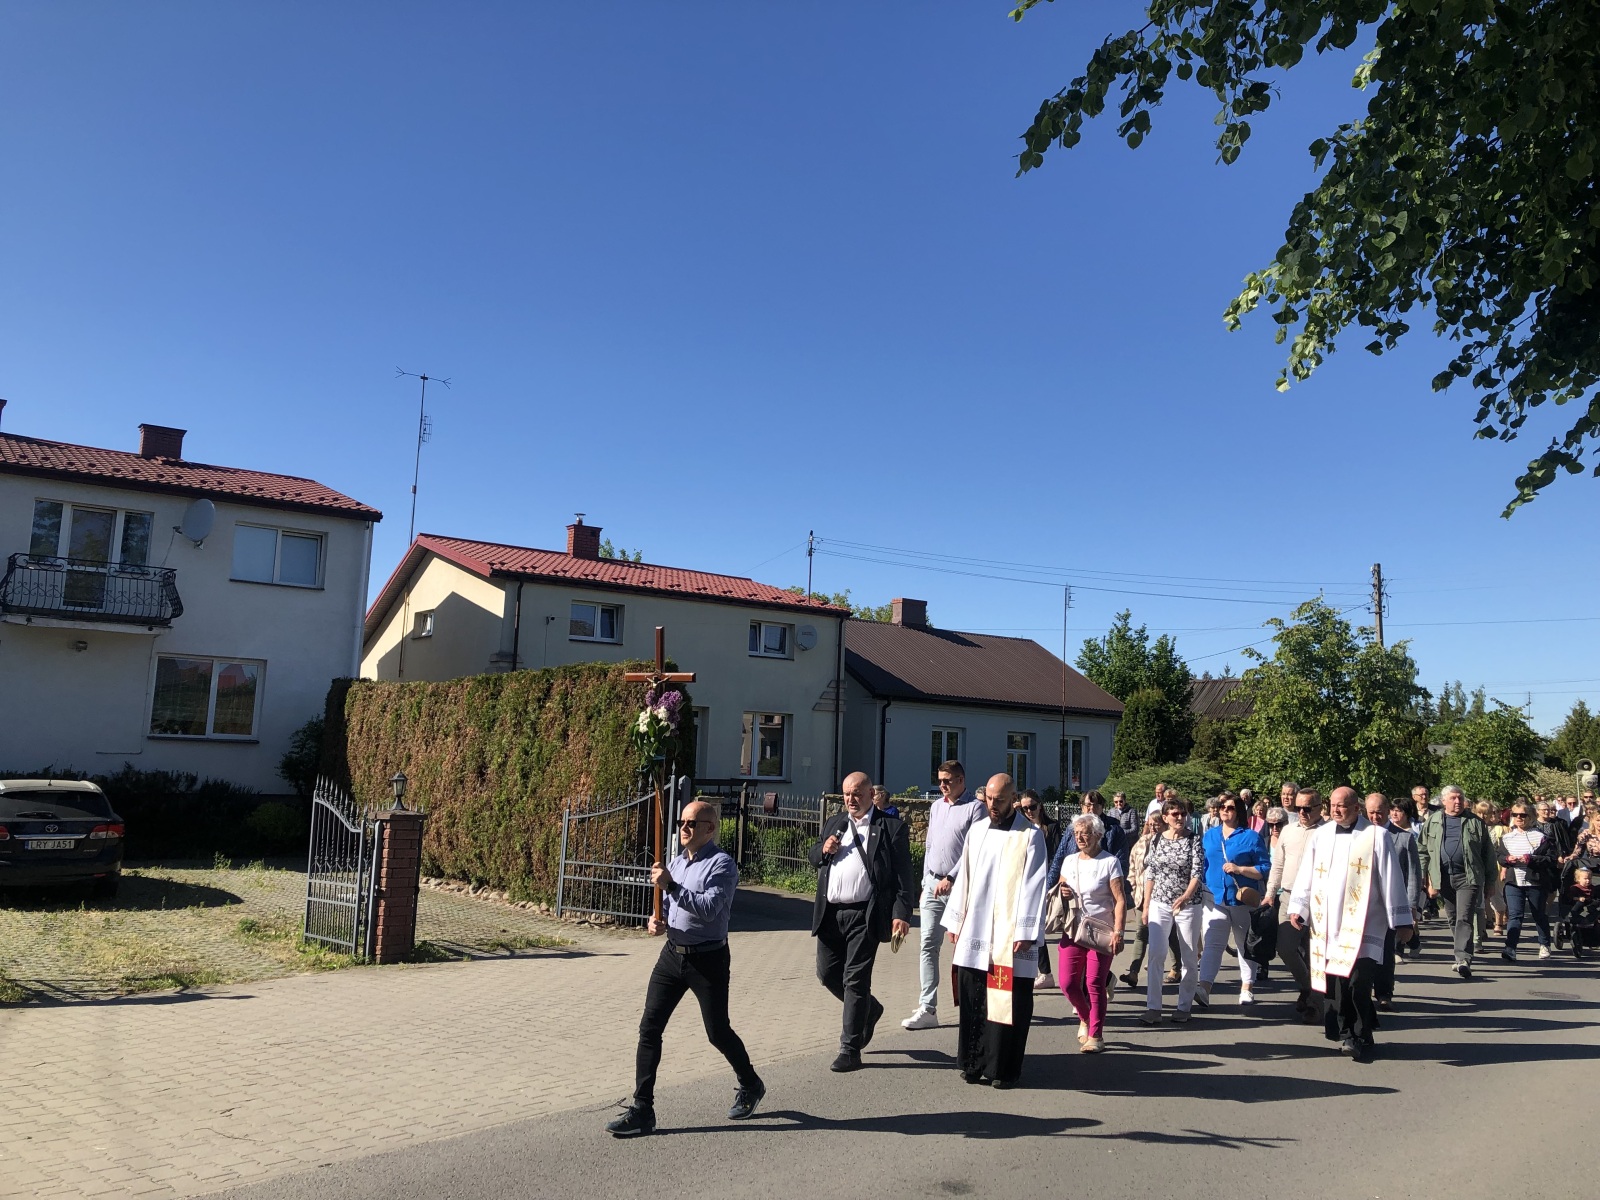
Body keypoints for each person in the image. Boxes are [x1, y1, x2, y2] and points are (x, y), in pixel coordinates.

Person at [607, 800, 764, 1137]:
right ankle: (642, 1108)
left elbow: (709, 908)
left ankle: (750, 1083)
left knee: (717, 1032)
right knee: (650, 1027)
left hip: (708, 959)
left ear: (710, 828)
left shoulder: (722, 865)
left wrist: (672, 887)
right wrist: (656, 919)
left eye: (692, 823)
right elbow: (666, 906)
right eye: (681, 822)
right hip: (672, 955)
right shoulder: (677, 863)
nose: (684, 828)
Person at [1288, 786, 1413, 1061]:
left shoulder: (1376, 836)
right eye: (1333, 805)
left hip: (1365, 923)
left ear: (1357, 808)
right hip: (1327, 924)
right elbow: (1307, 873)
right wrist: (1298, 907)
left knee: (1358, 981)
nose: (1336, 810)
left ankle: (1354, 1035)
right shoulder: (1321, 835)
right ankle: (1355, 1031)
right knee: (1336, 983)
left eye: (1342, 805)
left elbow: (1391, 878)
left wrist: (1402, 920)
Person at [941, 773, 1048, 1088]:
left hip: (1009, 937)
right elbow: (965, 877)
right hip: (976, 929)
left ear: (1013, 799)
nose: (992, 805)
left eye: (999, 800)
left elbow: (1035, 884)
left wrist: (1025, 931)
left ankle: (1003, 1068)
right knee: (974, 995)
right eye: (989, 799)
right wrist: (956, 922)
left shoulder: (1030, 836)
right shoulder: (977, 831)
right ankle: (973, 1062)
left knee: (1009, 1001)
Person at [809, 771, 914, 1072]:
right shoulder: (835, 823)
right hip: (830, 913)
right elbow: (814, 856)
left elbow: (903, 876)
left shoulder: (890, 827)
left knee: (855, 979)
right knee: (827, 974)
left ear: (871, 794)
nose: (851, 799)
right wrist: (823, 850)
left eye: (856, 793)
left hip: (865, 914)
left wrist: (901, 915)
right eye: (846, 794)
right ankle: (870, 1008)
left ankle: (850, 1049)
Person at [901, 760, 984, 1032]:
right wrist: (926, 880)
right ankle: (928, 1007)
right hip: (932, 884)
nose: (942, 786)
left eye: (947, 781)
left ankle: (974, 1005)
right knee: (928, 943)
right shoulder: (936, 806)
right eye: (939, 781)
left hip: (959, 887)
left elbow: (974, 848)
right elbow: (930, 844)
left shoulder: (975, 808)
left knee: (965, 948)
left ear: (961, 780)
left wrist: (952, 877)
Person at [1055, 812, 1128, 1053]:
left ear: (1097, 835)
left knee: (1094, 982)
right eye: (1076, 833)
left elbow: (1120, 900)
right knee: (1067, 983)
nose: (1079, 838)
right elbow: (1060, 889)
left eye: (1084, 833)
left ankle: (1096, 1035)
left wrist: (1119, 931)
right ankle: (1085, 1017)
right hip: (1073, 930)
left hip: (1101, 932)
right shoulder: (1069, 861)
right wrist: (1063, 892)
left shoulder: (1110, 862)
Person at [1197, 792, 1270, 1008]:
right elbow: (1201, 863)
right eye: (1222, 807)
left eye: (1229, 807)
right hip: (1214, 898)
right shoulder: (1210, 835)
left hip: (1242, 899)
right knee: (1212, 943)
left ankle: (1247, 987)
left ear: (1238, 811)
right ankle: (1204, 988)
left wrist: (1240, 869)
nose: (1225, 811)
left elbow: (1264, 867)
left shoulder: (1251, 837)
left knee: (1244, 944)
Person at [1418, 784, 1497, 979]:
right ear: (1443, 801)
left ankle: (1463, 958)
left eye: (1460, 798)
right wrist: (1425, 878)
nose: (1457, 801)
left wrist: (1490, 882)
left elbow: (1488, 854)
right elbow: (1423, 850)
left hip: (1468, 877)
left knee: (1464, 917)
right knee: (1453, 917)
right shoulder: (1433, 821)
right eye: (1453, 798)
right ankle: (1462, 950)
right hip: (1443, 877)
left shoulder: (1475, 822)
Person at [1140, 797, 1205, 1024]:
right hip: (1160, 902)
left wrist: (1185, 896)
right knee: (1156, 954)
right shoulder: (1157, 839)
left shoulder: (1193, 840)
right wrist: (1146, 905)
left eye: (1183, 814)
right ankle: (1153, 1008)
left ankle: (1184, 1006)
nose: (1180, 818)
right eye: (1175, 814)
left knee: (1188, 955)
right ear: (1165, 817)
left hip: (1188, 904)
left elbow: (1197, 872)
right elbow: (1151, 873)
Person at [1266, 787, 1323, 1021]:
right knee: (1285, 947)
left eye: (1307, 808)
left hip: (1318, 899)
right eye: (1298, 808)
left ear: (1320, 808)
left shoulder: (1328, 832)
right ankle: (1308, 986)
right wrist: (1270, 893)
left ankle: (1315, 1005)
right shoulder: (1288, 831)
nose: (1301, 812)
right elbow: (1278, 866)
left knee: (1314, 954)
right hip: (1288, 897)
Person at [1498, 802, 1557, 961]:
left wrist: (1531, 859)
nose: (1519, 818)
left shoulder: (1541, 837)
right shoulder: (1507, 838)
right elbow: (1500, 856)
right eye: (1515, 815)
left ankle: (1544, 944)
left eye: (1523, 815)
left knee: (1539, 914)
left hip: (1535, 882)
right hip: (1513, 882)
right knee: (1515, 915)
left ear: (1531, 817)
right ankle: (1510, 948)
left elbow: (1550, 859)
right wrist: (1507, 859)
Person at [1017, 789, 1061, 978]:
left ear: (1040, 806)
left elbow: (1057, 856)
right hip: (1026, 884)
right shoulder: (1021, 828)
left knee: (1039, 929)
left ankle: (1102, 977)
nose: (1029, 811)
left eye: (1032, 807)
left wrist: (1051, 881)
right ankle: (1044, 972)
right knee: (1032, 928)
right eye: (1024, 808)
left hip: (1047, 883)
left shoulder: (1051, 827)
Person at [1118, 811, 1165, 988]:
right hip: (1142, 895)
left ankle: (1176, 968)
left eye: (1157, 824)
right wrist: (1133, 887)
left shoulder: (1168, 842)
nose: (1153, 827)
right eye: (1150, 824)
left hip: (1162, 896)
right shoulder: (1141, 843)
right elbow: (1132, 865)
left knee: (1170, 935)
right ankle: (1133, 972)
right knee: (1141, 933)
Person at [1386, 796, 1425, 963]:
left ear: (1407, 813)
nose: (1395, 813)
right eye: (1393, 810)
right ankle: (1413, 943)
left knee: (1402, 919)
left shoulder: (1410, 834)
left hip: (1402, 887)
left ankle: (1398, 950)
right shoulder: (1382, 831)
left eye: (1399, 811)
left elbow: (1414, 869)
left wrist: (1413, 901)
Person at [1478, 800, 1509, 943]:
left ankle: (1499, 922)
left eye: (1487, 813)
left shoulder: (1500, 829)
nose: (1483, 816)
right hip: (1478, 866)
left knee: (1495, 894)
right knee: (1480, 898)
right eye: (1480, 813)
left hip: (1494, 865)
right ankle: (1482, 926)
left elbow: (1504, 850)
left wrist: (1504, 868)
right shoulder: (1474, 826)